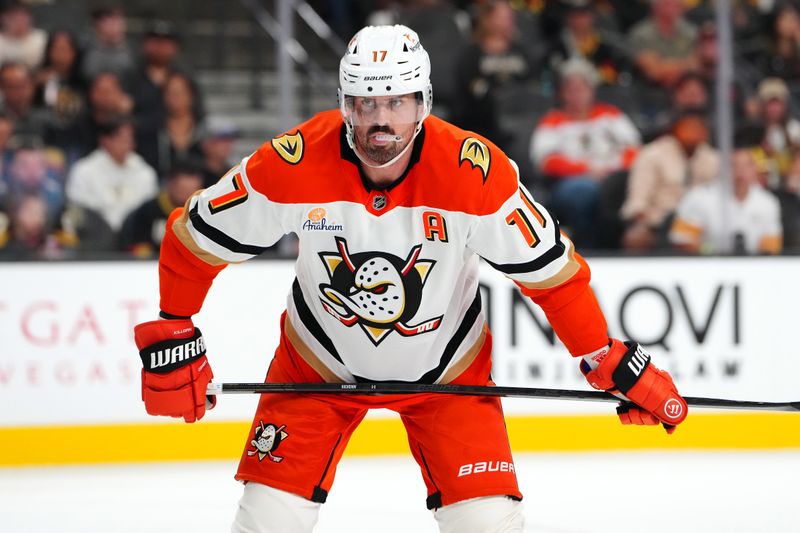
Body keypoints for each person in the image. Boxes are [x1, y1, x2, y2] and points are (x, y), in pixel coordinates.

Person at [132, 25, 688, 533]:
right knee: (265, 524)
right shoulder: (293, 163)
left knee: (490, 526)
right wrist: (175, 328)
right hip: (317, 367)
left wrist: (605, 357)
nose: (381, 119)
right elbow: (192, 238)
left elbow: (553, 276)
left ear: (423, 102)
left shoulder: (476, 175)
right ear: (345, 105)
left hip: (449, 373)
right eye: (366, 102)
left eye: (396, 101)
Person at [530, 58, 640, 248]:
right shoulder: (553, 121)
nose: (577, 95)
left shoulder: (611, 115)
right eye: (571, 90)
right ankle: (588, 249)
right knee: (584, 191)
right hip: (572, 182)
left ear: (592, 90)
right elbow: (546, 161)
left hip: (613, 176)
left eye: (582, 89)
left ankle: (617, 246)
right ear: (562, 93)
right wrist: (585, 169)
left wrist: (611, 169)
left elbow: (635, 150)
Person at [620, 111, 719, 251]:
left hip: (696, 227)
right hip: (658, 223)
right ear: (675, 128)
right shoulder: (652, 154)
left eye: (698, 128)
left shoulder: (713, 159)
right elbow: (638, 199)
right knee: (636, 238)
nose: (693, 132)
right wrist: (641, 223)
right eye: (688, 127)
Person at [669, 147, 782, 255]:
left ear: (755, 169)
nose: (740, 172)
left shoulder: (768, 202)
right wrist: (710, 253)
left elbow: (771, 247)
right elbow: (682, 240)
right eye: (734, 165)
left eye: (747, 165)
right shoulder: (699, 197)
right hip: (706, 267)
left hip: (753, 268)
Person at [65, 118, 157, 232]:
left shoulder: (145, 172)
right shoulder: (84, 171)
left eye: (130, 138)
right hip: (94, 237)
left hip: (133, 237)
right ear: (105, 140)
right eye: (121, 138)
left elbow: (148, 211)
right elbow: (78, 209)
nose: (127, 143)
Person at [118, 159, 203, 256]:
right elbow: (134, 246)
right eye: (183, 189)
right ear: (170, 184)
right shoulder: (147, 212)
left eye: (192, 190)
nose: (188, 196)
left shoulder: (203, 212)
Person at [0, 1, 47, 70]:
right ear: (2, 18)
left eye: (23, 16)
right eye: (13, 17)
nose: (19, 21)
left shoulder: (42, 38)